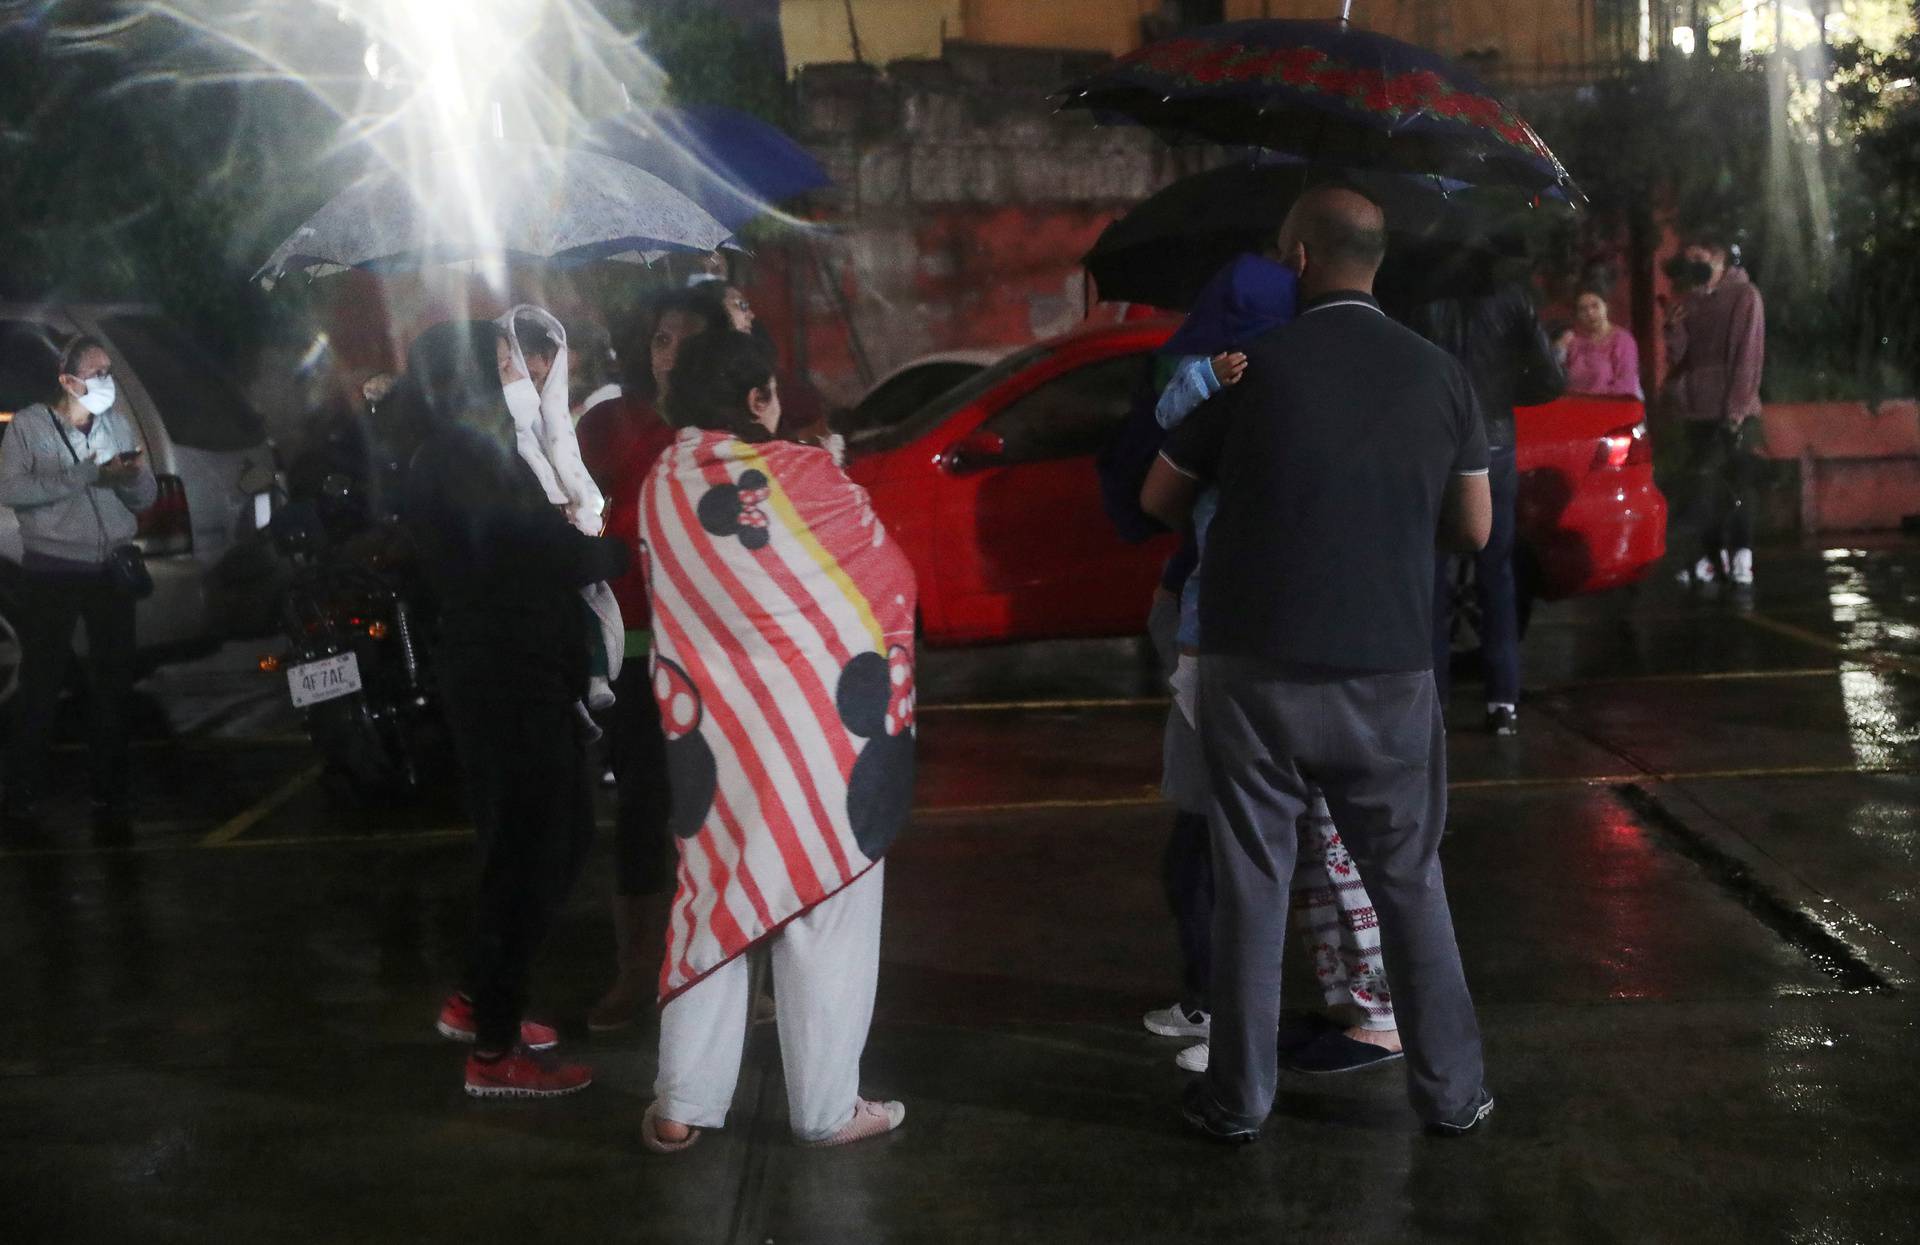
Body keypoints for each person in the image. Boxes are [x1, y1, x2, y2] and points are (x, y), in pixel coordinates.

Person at [1141, 185, 1495, 1142]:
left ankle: (1238, 1098)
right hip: (1389, 670)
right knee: (1410, 880)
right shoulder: (1441, 376)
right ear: (1375, 260)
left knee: (1254, 878)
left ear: (1298, 257)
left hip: (1254, 670)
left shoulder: (1255, 371)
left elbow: (1160, 495)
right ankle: (1452, 1093)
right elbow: (1473, 526)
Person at [638, 330, 914, 1152]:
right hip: (822, 740)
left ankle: (681, 1102)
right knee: (829, 910)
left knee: (711, 903)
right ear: (760, 399)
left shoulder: (661, 481)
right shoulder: (806, 476)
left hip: (717, 743)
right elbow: (888, 579)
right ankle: (826, 1106)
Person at [1137, 253, 1403, 1077]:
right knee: (1326, 845)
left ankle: (1246, 1041)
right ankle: (1363, 1020)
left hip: (1254, 647)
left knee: (1255, 846)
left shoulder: (1254, 394)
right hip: (1355, 646)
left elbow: (1155, 494)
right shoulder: (1385, 381)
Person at [400, 320, 631, 1098]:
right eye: (500, 362)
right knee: (536, 850)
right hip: (507, 679)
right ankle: (495, 1048)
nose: (516, 372)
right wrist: (608, 548)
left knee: (539, 844)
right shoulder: (465, 458)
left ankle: (480, 1002)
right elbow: (539, 553)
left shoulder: (470, 452)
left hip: (511, 672)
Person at [574, 289, 728, 1032]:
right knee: (640, 810)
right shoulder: (611, 424)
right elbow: (580, 511)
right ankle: (637, 967)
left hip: (716, 650)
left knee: (719, 809)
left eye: (686, 341)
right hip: (637, 650)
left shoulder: (728, 431)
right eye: (662, 338)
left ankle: (725, 964)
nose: (669, 353)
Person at [0, 333, 157, 842]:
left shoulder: (115, 422)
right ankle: (22, 791)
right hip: (53, 571)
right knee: (43, 683)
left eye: (109, 370)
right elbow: (10, 490)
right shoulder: (29, 427)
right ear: (67, 380)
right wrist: (84, 475)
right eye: (96, 373)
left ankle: (110, 791)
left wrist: (127, 478)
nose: (107, 381)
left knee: (112, 683)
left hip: (111, 570)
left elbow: (146, 494)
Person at [1405, 272, 1564, 737]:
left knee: (1429, 575)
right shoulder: (1509, 294)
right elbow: (1551, 379)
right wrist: (1502, 393)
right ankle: (1503, 701)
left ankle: (1434, 699)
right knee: (1497, 572)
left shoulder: (1416, 295)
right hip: (1493, 445)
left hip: (1433, 443)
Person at [493, 306, 623, 715]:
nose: (534, 376)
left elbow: (570, 469)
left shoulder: (555, 422)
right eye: (518, 366)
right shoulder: (497, 441)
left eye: (544, 366)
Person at [1663, 229, 1766, 589]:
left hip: (1733, 410)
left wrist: (1736, 411)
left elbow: (1747, 357)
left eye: (1699, 258)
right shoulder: (1689, 299)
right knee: (1699, 488)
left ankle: (1742, 555)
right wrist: (1672, 329)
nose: (1693, 266)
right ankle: (1710, 556)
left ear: (1719, 257)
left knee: (1735, 486)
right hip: (1696, 409)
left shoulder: (1744, 295)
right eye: (1689, 259)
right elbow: (1680, 358)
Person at [1555, 288, 1643, 398]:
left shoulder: (1622, 340)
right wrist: (1560, 349)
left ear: (1606, 306)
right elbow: (1556, 378)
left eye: (1595, 306)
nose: (1590, 313)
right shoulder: (1573, 341)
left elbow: (1626, 383)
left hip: (1613, 406)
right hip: (1576, 407)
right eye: (1583, 309)